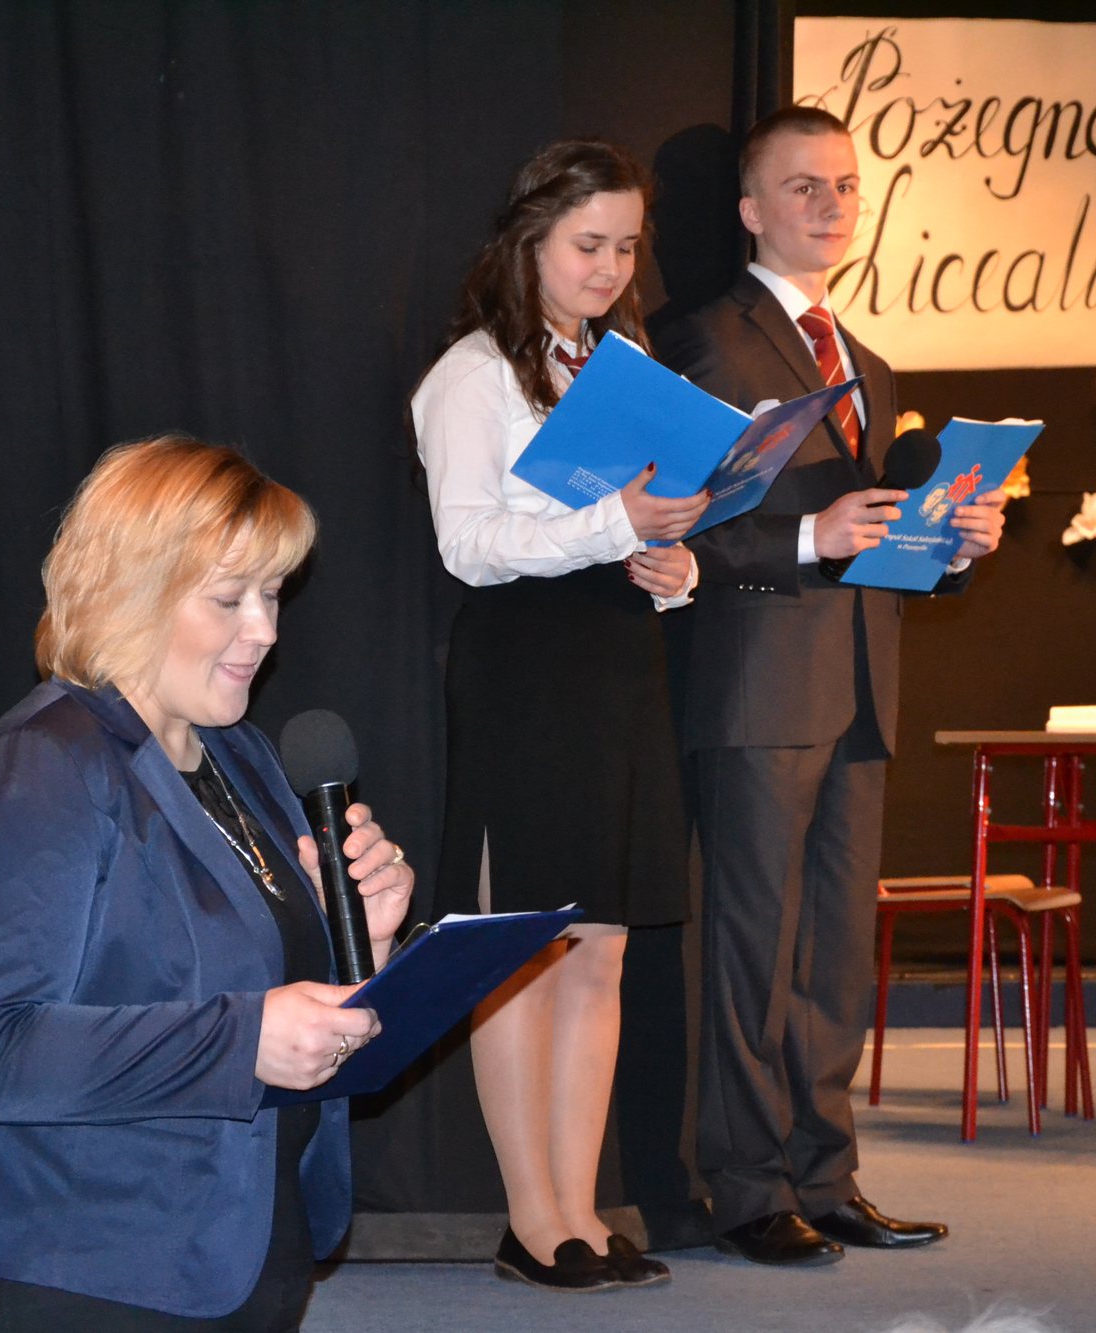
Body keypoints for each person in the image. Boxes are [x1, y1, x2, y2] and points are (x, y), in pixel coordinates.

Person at [0, 436, 415, 1330]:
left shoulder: (242, 755)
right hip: (89, 1273)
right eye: (229, 598)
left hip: (241, 1246)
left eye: (272, 593)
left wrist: (362, 947)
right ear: (131, 591)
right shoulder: (42, 764)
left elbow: (268, 995)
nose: (265, 629)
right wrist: (243, 1039)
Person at [652, 105, 1007, 1266]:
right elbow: (674, 528)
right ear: (749, 210)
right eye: (801, 186)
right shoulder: (699, 340)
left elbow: (880, 545)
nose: (829, 204)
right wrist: (811, 538)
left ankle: (825, 1171)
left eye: (844, 185)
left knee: (835, 953)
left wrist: (949, 545)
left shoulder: (869, 364)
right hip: (754, 685)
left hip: (859, 684)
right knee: (752, 949)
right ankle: (746, 1187)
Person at [410, 138, 710, 1292]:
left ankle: (579, 1210)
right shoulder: (473, 372)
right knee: (523, 948)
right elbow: (466, 544)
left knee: (601, 949)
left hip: (616, 663)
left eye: (625, 246)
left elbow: (641, 525)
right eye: (588, 243)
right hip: (524, 670)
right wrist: (611, 524)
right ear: (527, 240)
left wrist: (670, 566)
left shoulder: (623, 365)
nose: (608, 267)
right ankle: (530, 1219)